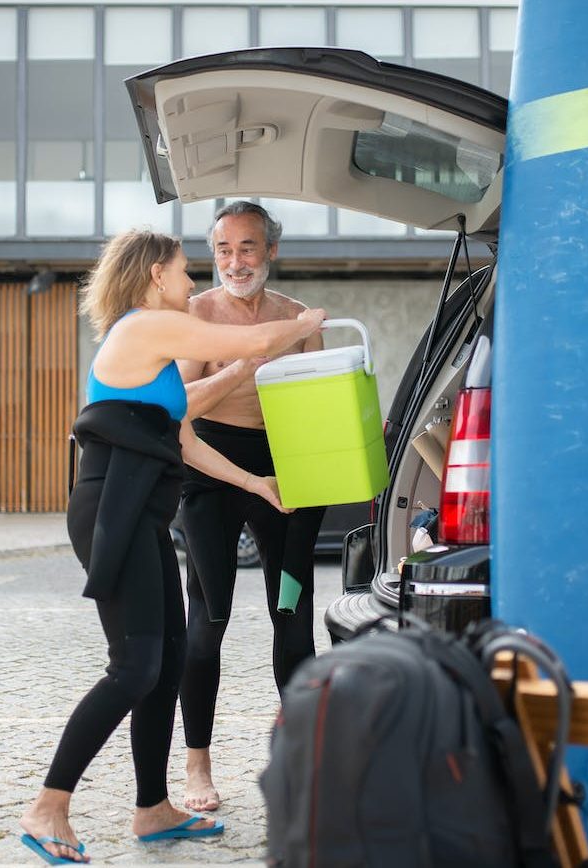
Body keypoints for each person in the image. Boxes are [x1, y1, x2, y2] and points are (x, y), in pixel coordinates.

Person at [18, 228, 325, 865]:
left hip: (145, 515)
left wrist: (256, 485)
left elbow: (181, 434)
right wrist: (309, 323)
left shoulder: (151, 345)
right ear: (157, 274)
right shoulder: (145, 328)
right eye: (187, 271)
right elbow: (260, 338)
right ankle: (48, 806)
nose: (193, 284)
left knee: (167, 656)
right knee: (132, 668)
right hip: (114, 511)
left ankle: (153, 809)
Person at [176, 201, 327, 813]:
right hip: (210, 466)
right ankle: (196, 765)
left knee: (291, 613)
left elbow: (322, 408)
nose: (235, 261)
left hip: (284, 468)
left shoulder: (297, 320)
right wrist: (241, 363)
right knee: (207, 618)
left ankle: (299, 756)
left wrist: (319, 481)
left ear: (270, 252)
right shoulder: (194, 314)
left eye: (247, 247)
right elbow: (178, 402)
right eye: (223, 250)